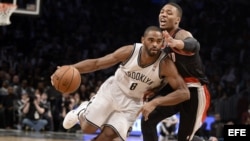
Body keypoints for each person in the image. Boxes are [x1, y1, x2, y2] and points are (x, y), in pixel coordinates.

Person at [51, 26, 190, 141]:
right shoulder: (130, 51)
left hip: (134, 103)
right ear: (143, 40)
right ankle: (82, 110)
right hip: (113, 91)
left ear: (162, 44)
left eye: (159, 41)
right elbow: (97, 63)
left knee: (109, 135)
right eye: (151, 40)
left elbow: (184, 93)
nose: (155, 44)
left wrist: (155, 102)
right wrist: (70, 68)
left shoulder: (165, 64)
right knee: (88, 129)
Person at [140, 2, 211, 141]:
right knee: (147, 120)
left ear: (177, 20)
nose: (163, 14)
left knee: (184, 139)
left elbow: (194, 45)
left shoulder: (181, 34)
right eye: (161, 11)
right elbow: (169, 74)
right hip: (176, 90)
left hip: (194, 91)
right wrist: (155, 90)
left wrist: (178, 44)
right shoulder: (162, 41)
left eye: (169, 13)